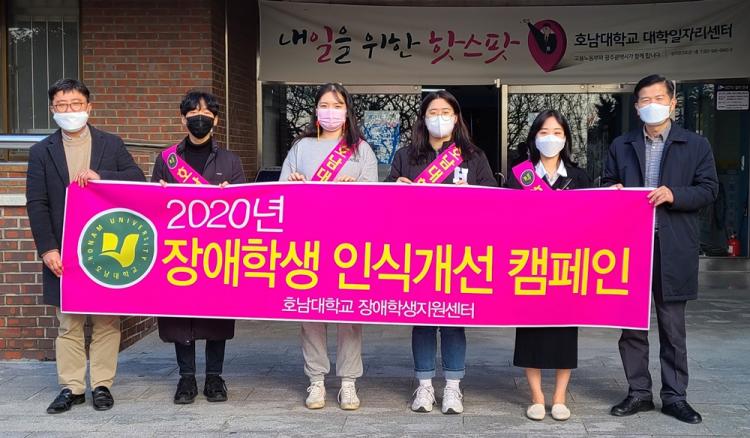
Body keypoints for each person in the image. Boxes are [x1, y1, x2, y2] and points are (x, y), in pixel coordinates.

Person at [603, 74, 718, 424]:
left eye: (658, 99)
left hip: (674, 245)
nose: (651, 105)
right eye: (644, 100)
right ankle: (638, 392)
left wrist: (674, 194)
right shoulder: (622, 145)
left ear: (672, 103)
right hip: (631, 248)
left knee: (672, 327)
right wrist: (613, 190)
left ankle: (675, 396)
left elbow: (709, 189)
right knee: (631, 326)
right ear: (637, 107)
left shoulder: (695, 145)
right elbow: (607, 182)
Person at [26, 78, 145, 414]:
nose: (69, 110)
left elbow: (137, 179)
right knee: (69, 321)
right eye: (61, 105)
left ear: (89, 107)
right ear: (52, 110)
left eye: (75, 104)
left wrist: (102, 175)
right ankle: (72, 387)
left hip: (105, 247)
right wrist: (48, 249)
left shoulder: (111, 144)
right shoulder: (41, 152)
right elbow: (37, 203)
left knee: (107, 320)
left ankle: (102, 385)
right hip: (63, 250)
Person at [386, 90, 497, 414]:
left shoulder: (473, 156)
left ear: (456, 117)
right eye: (433, 112)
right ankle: (423, 386)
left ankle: (452, 387)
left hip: (459, 250)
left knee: (452, 319)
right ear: (423, 119)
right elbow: (386, 198)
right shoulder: (406, 156)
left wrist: (474, 193)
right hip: (417, 250)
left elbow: (494, 197)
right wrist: (396, 188)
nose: (439, 118)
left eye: (445, 112)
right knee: (422, 318)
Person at [279, 82, 378, 410]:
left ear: (347, 111)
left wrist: (357, 188)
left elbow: (375, 200)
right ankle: (316, 380)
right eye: (325, 105)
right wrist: (293, 184)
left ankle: (348, 382)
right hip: (308, 242)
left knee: (349, 312)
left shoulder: (361, 150)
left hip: (350, 244)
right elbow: (281, 196)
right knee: (311, 310)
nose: (330, 112)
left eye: (337, 106)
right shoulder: (301, 148)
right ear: (316, 111)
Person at [151, 90, 246, 404]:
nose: (199, 118)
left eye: (206, 113)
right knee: (181, 315)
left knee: (216, 314)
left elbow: (244, 210)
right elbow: (152, 207)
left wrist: (232, 195)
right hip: (178, 250)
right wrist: (160, 194)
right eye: (193, 113)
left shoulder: (230, 161)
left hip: (217, 250)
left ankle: (215, 377)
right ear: (183, 119)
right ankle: (186, 378)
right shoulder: (167, 160)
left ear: (215, 120)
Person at [507, 109, 591, 421]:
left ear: (566, 138)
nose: (550, 138)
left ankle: (559, 397)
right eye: (544, 132)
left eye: (557, 133)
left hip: (567, 265)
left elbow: (592, 216)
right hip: (530, 264)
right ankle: (536, 396)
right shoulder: (520, 175)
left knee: (565, 330)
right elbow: (507, 217)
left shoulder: (579, 177)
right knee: (531, 330)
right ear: (534, 138)